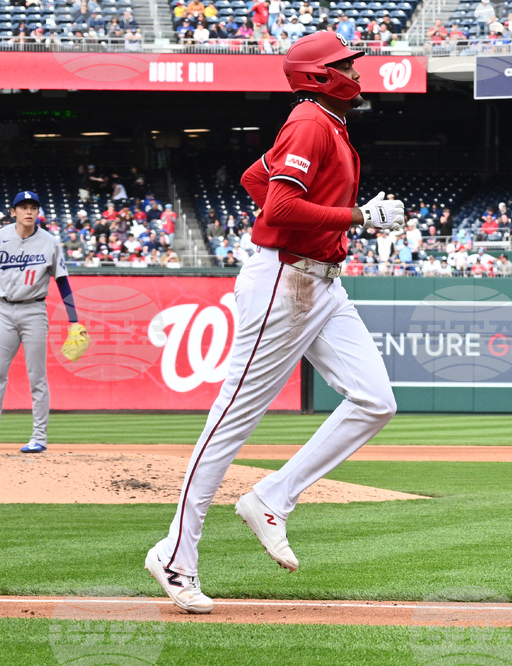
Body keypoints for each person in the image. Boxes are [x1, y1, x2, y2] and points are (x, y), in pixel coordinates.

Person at [144, 31, 403, 615]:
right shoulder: (311, 121)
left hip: (321, 283)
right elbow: (279, 206)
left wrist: (341, 223)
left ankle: (271, 498)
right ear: (317, 76)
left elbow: (253, 180)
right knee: (230, 422)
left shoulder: (323, 122)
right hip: (286, 279)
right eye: (345, 64)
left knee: (375, 400)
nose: (356, 72)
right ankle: (175, 556)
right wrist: (360, 216)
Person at [0, 191, 83, 455]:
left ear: (38, 211)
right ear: (14, 211)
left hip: (34, 311)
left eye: (33, 207)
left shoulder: (50, 242)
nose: (28, 211)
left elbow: (62, 280)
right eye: (23, 207)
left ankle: (39, 438)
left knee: (37, 377)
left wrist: (74, 320)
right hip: (5, 311)